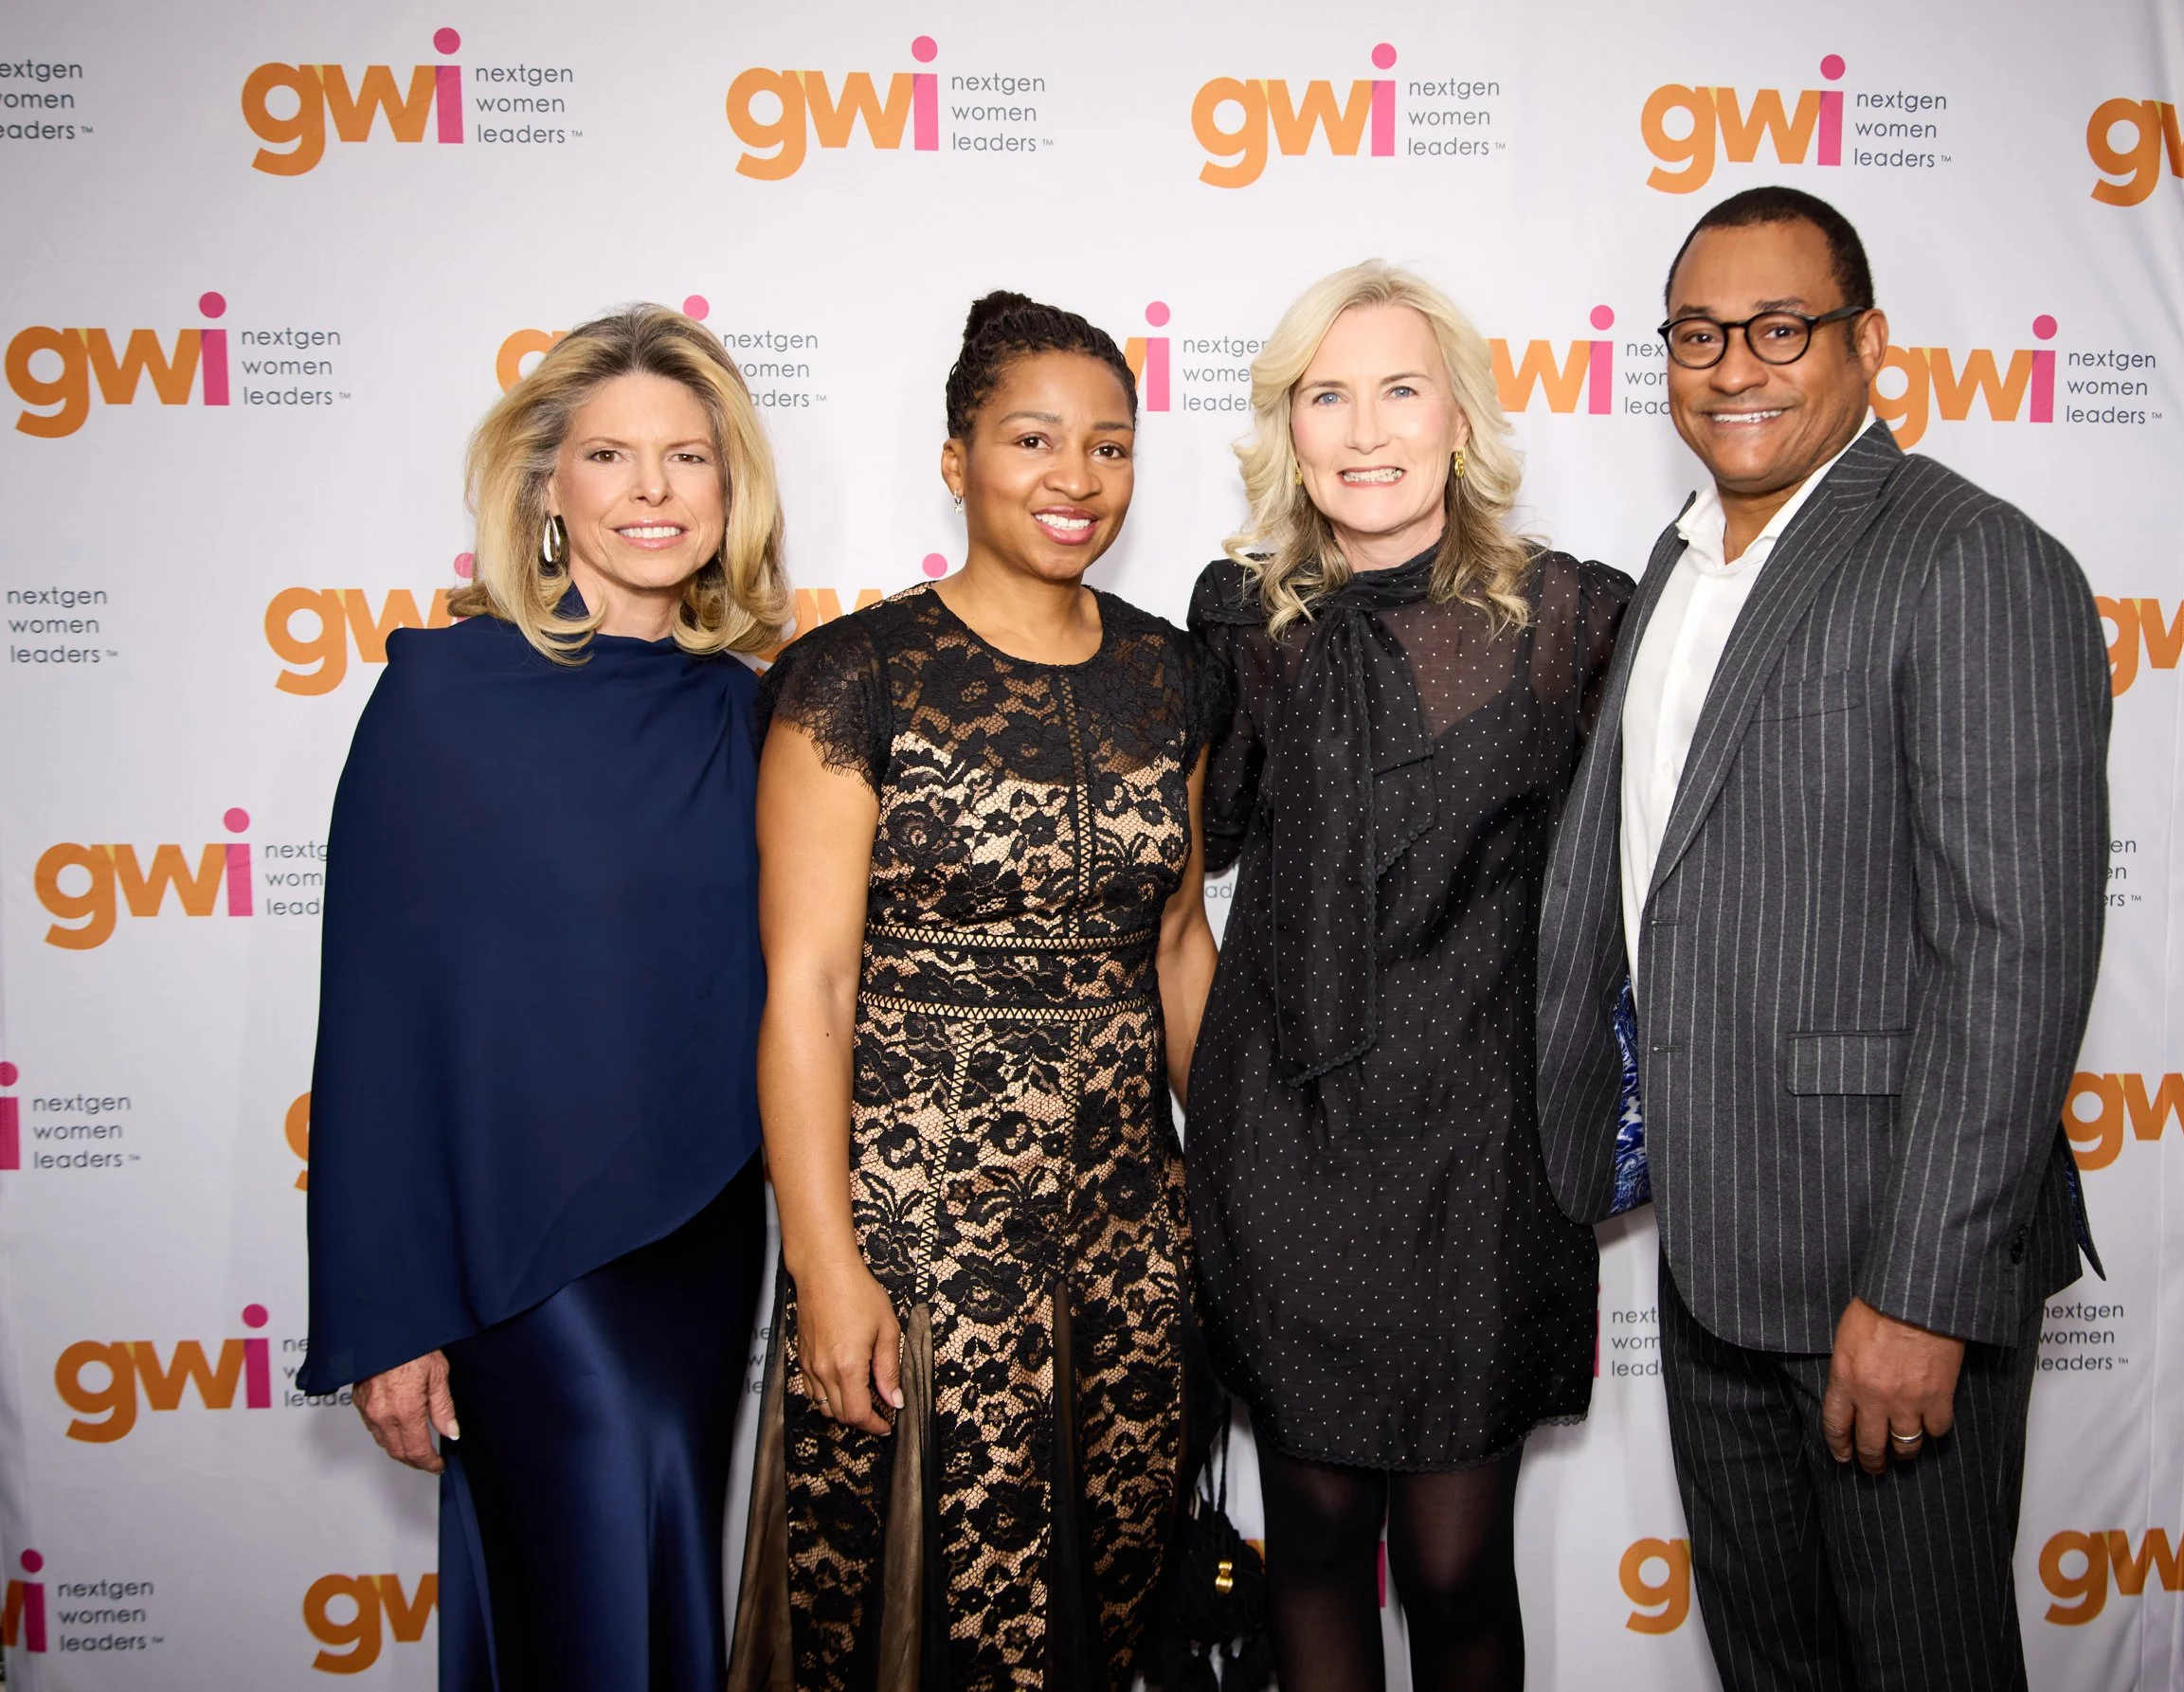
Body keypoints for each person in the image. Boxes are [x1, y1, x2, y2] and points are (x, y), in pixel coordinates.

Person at [1534, 186, 2112, 1691]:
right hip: (1719, 1254)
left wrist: (1920, 1287)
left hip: (1883, 1262)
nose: (1736, 367)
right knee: (1771, 1665)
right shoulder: (1680, 564)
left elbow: (2017, 952)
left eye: (1781, 329)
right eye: (1701, 333)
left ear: (1865, 343)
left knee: (1926, 1663)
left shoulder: (1969, 558)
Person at [727, 292, 1225, 1691]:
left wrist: (1237, 1193)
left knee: (1111, 1593)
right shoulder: (853, 674)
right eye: (1034, 439)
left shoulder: (1168, 673)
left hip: (1129, 1222)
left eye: (1110, 445)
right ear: (958, 458)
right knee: (938, 1609)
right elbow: (810, 989)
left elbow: (1180, 944)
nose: (1077, 478)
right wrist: (828, 1269)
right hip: (920, 1224)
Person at [299, 304, 789, 1690]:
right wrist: (385, 1310)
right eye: (612, 457)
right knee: (600, 1592)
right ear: (548, 491)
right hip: (528, 1260)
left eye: (686, 458)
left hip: (698, 1232)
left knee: (652, 1565)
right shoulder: (444, 702)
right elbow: (378, 1024)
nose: (650, 491)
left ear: (729, 486)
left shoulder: (754, 713)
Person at [1184, 261, 1630, 1692]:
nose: (1365, 429)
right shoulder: (1242, 621)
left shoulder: (1571, 617)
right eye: (1328, 393)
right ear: (1289, 426)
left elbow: (1668, 869)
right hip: (1291, 1145)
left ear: (1458, 420)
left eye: (1399, 389)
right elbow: (1178, 873)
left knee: (1453, 1563)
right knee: (1311, 1541)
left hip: (1481, 1156)